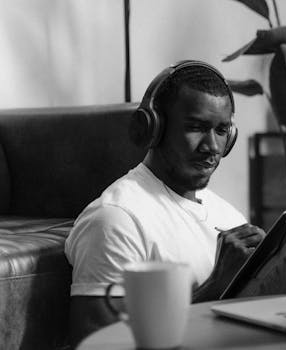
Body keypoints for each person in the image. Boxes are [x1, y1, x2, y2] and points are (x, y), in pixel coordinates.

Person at [64, 60, 266, 345]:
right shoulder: (115, 220)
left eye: (222, 131)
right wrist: (217, 285)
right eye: (196, 127)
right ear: (153, 128)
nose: (212, 147)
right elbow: (98, 343)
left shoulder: (228, 214)